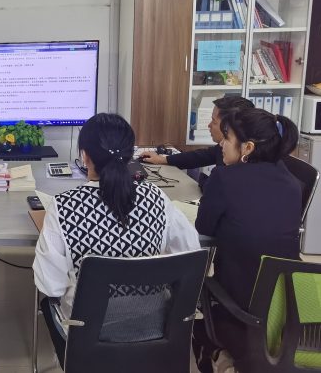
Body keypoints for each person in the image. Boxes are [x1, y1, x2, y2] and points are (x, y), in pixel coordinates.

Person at [33, 113, 200, 364]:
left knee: (49, 301)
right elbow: (190, 252)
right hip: (155, 327)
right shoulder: (156, 197)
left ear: (85, 156)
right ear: (131, 154)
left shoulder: (63, 207)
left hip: (89, 335)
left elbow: (50, 285)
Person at [192, 108, 301, 372]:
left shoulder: (224, 178)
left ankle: (222, 358)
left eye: (227, 138)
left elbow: (203, 226)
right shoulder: (293, 183)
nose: (221, 144)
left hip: (239, 312)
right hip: (288, 312)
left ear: (248, 148)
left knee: (192, 315)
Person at [139, 95, 255, 169]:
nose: (209, 125)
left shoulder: (251, 165)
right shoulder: (224, 148)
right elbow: (199, 157)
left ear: (230, 127)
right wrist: (162, 159)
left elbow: (215, 185)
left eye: (214, 121)